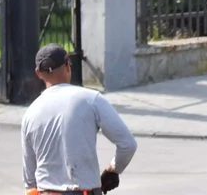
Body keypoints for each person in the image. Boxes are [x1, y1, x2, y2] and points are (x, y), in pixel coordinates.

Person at [21, 44, 138, 195]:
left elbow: (30, 181)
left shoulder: (30, 114)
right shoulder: (91, 99)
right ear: (68, 66)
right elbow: (128, 144)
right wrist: (113, 170)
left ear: (38, 73)